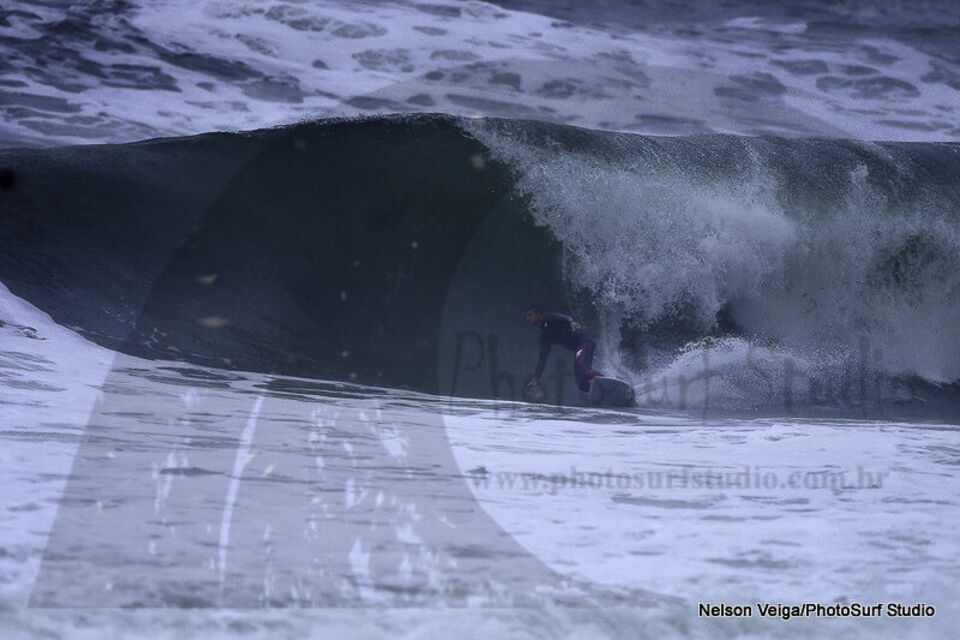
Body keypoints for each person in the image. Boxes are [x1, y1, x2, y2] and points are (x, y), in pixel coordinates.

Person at [525, 304, 603, 394]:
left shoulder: (551, 318)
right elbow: (543, 359)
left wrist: (574, 326)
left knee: (582, 371)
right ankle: (599, 392)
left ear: (538, 314)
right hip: (579, 349)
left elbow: (568, 319)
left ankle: (605, 379)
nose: (527, 318)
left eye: (530, 315)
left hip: (584, 343)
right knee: (581, 384)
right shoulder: (545, 336)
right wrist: (535, 379)